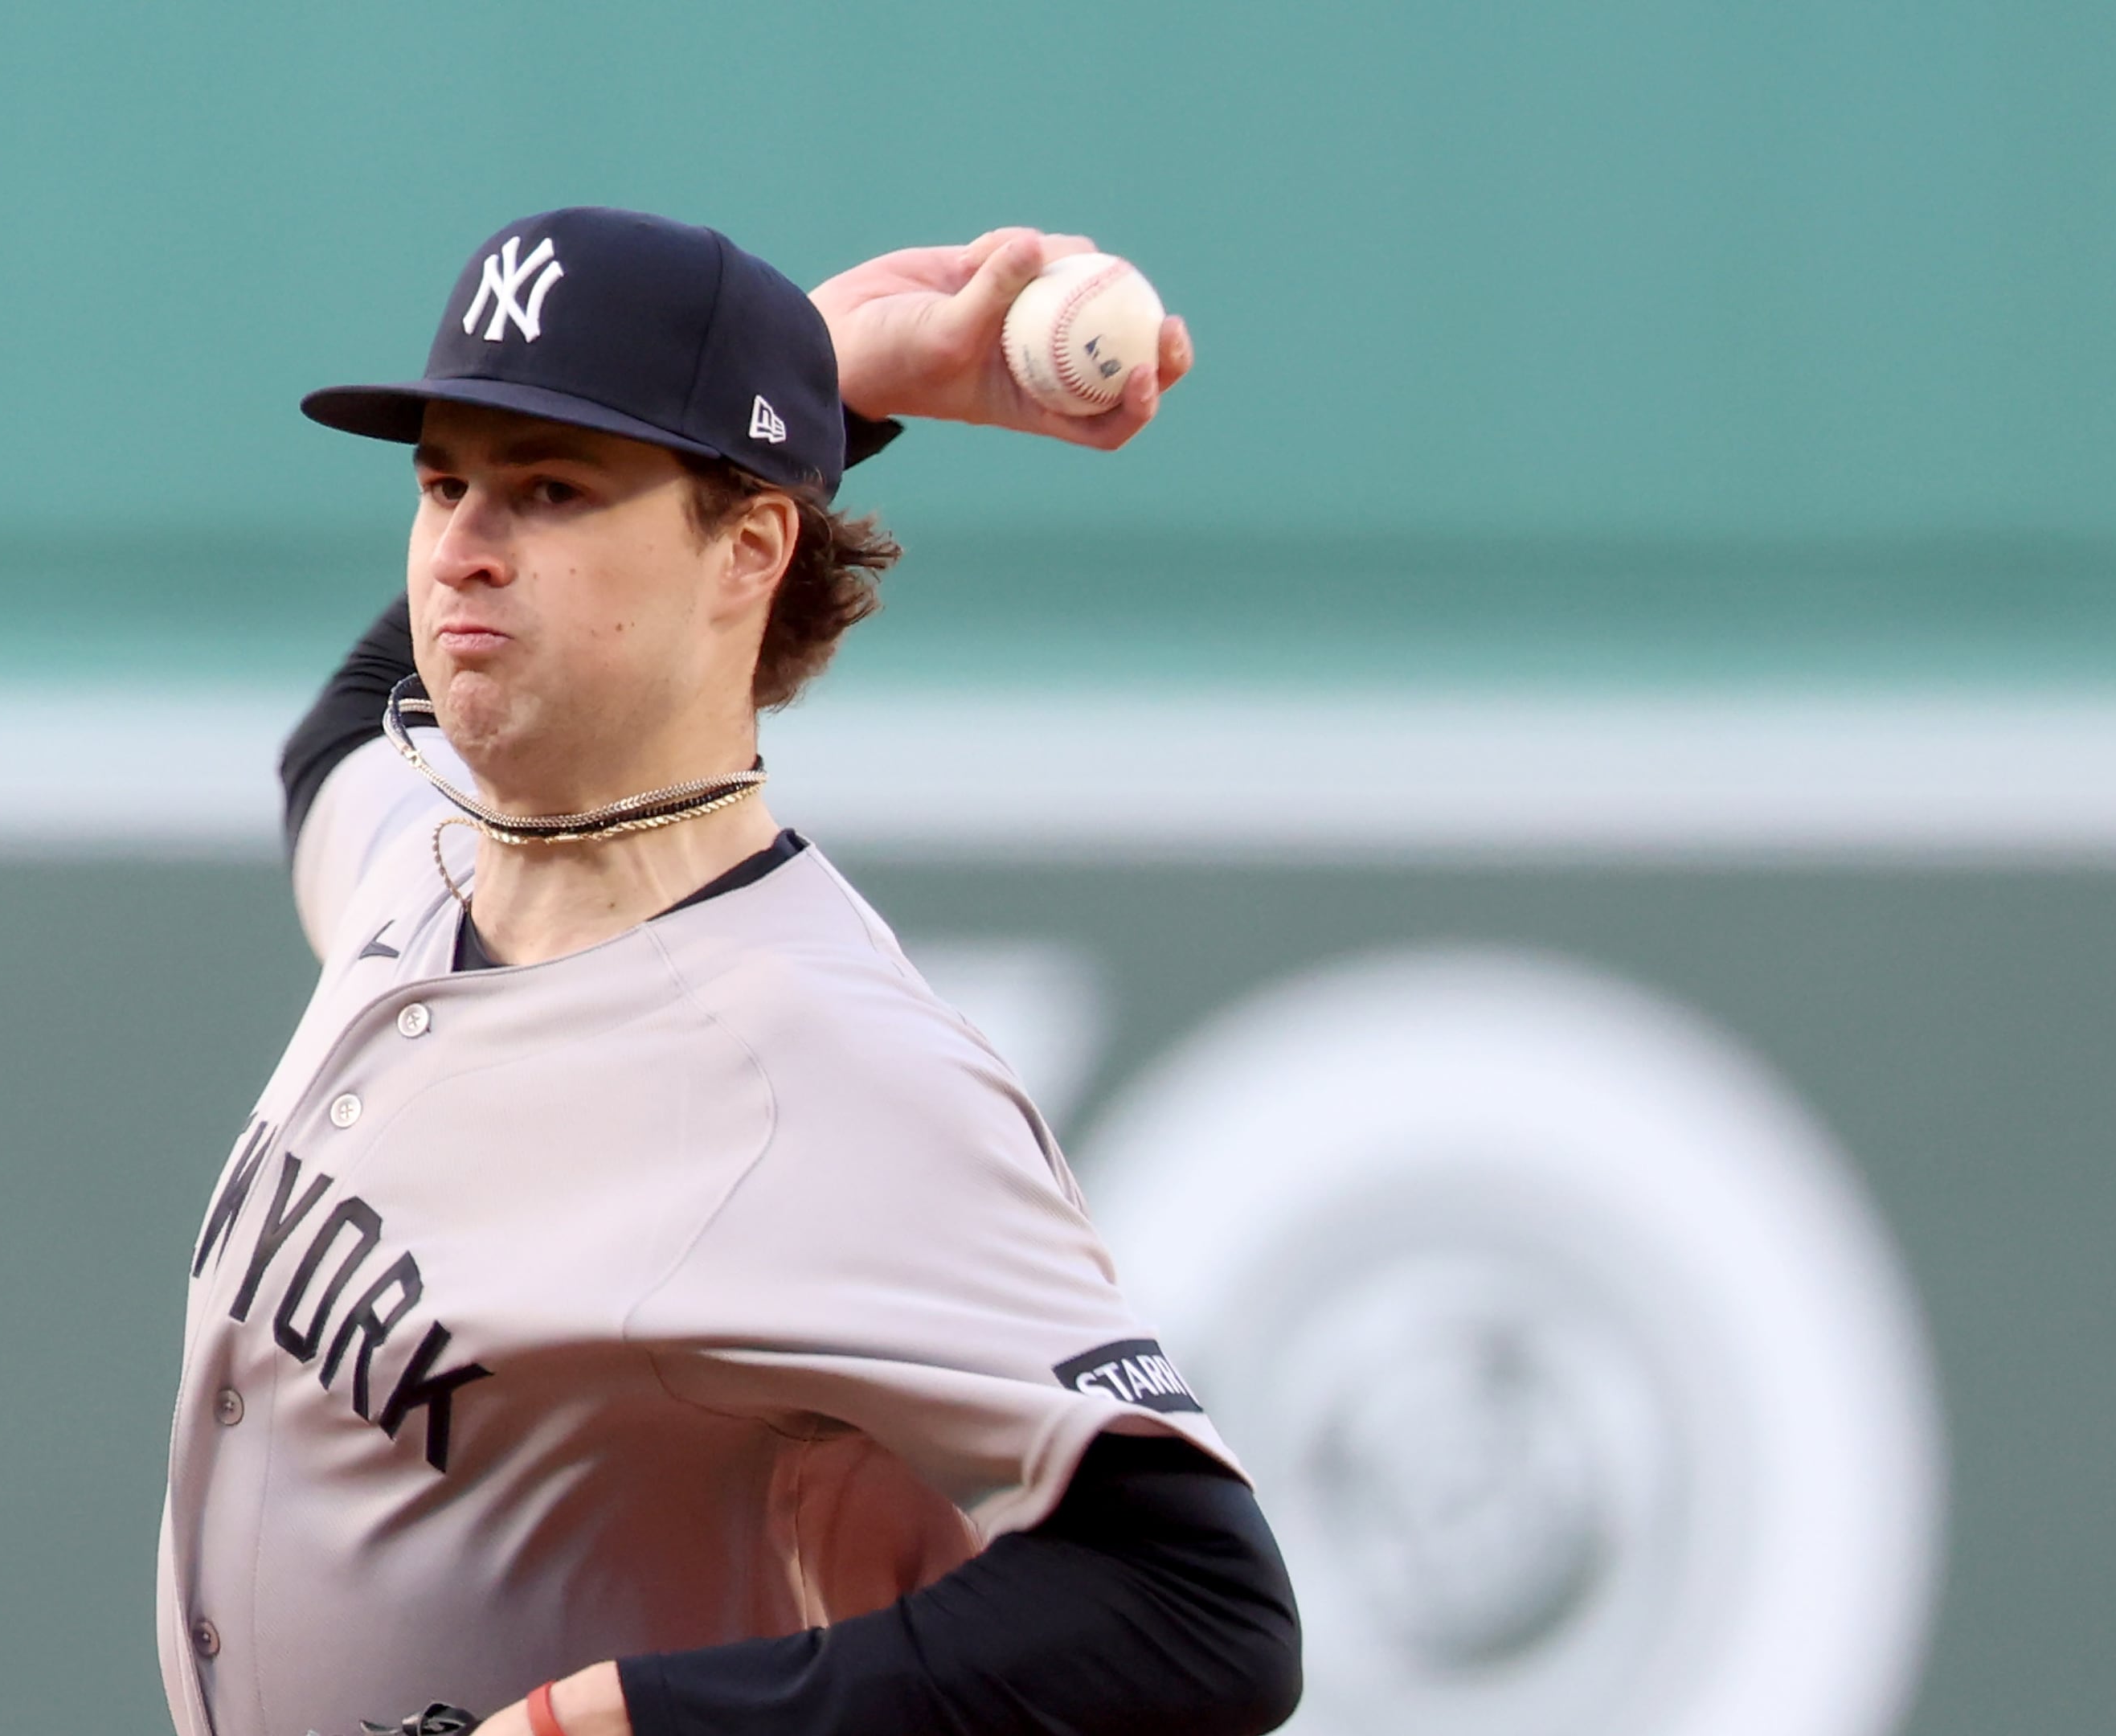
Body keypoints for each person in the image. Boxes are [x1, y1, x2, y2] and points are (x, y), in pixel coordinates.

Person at [161, 207, 1299, 1736]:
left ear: (750, 548)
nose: (464, 551)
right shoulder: (425, 850)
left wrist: (643, 1725)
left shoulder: (815, 1064)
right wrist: (817, 373)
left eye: (551, 488)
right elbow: (343, 734)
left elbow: (1199, 1612)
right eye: (443, 483)